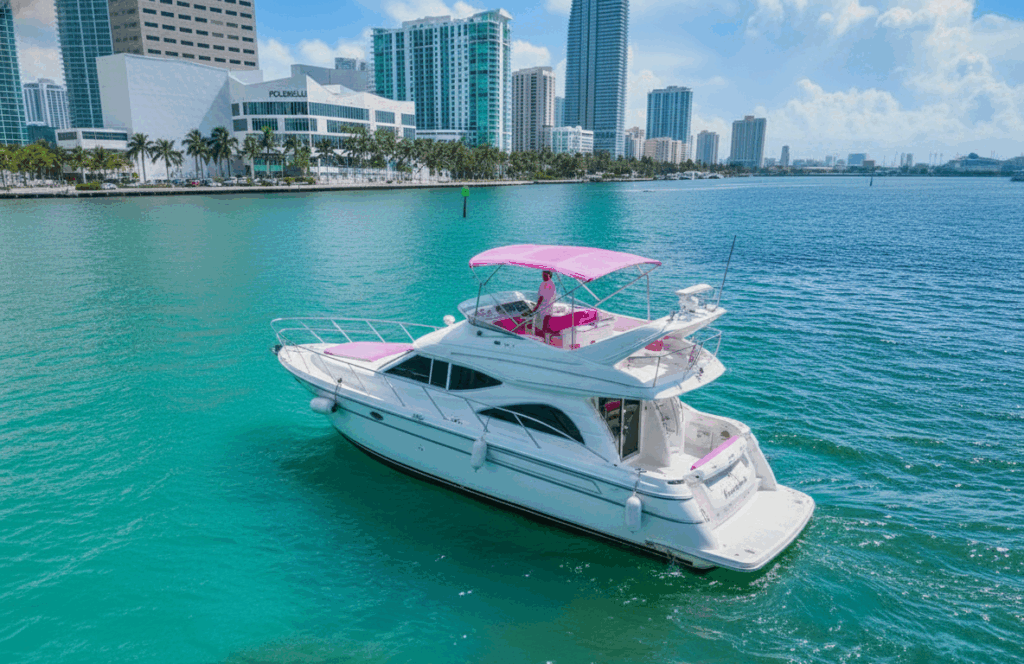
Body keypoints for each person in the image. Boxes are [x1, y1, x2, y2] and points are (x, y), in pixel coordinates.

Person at [531, 270, 557, 341]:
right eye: (543, 275)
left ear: (550, 276)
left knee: (539, 327)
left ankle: (539, 341)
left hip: (542, 310)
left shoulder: (544, 284)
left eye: (545, 275)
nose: (543, 277)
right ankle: (545, 340)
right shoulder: (552, 284)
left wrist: (535, 308)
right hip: (549, 309)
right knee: (545, 327)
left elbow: (541, 298)